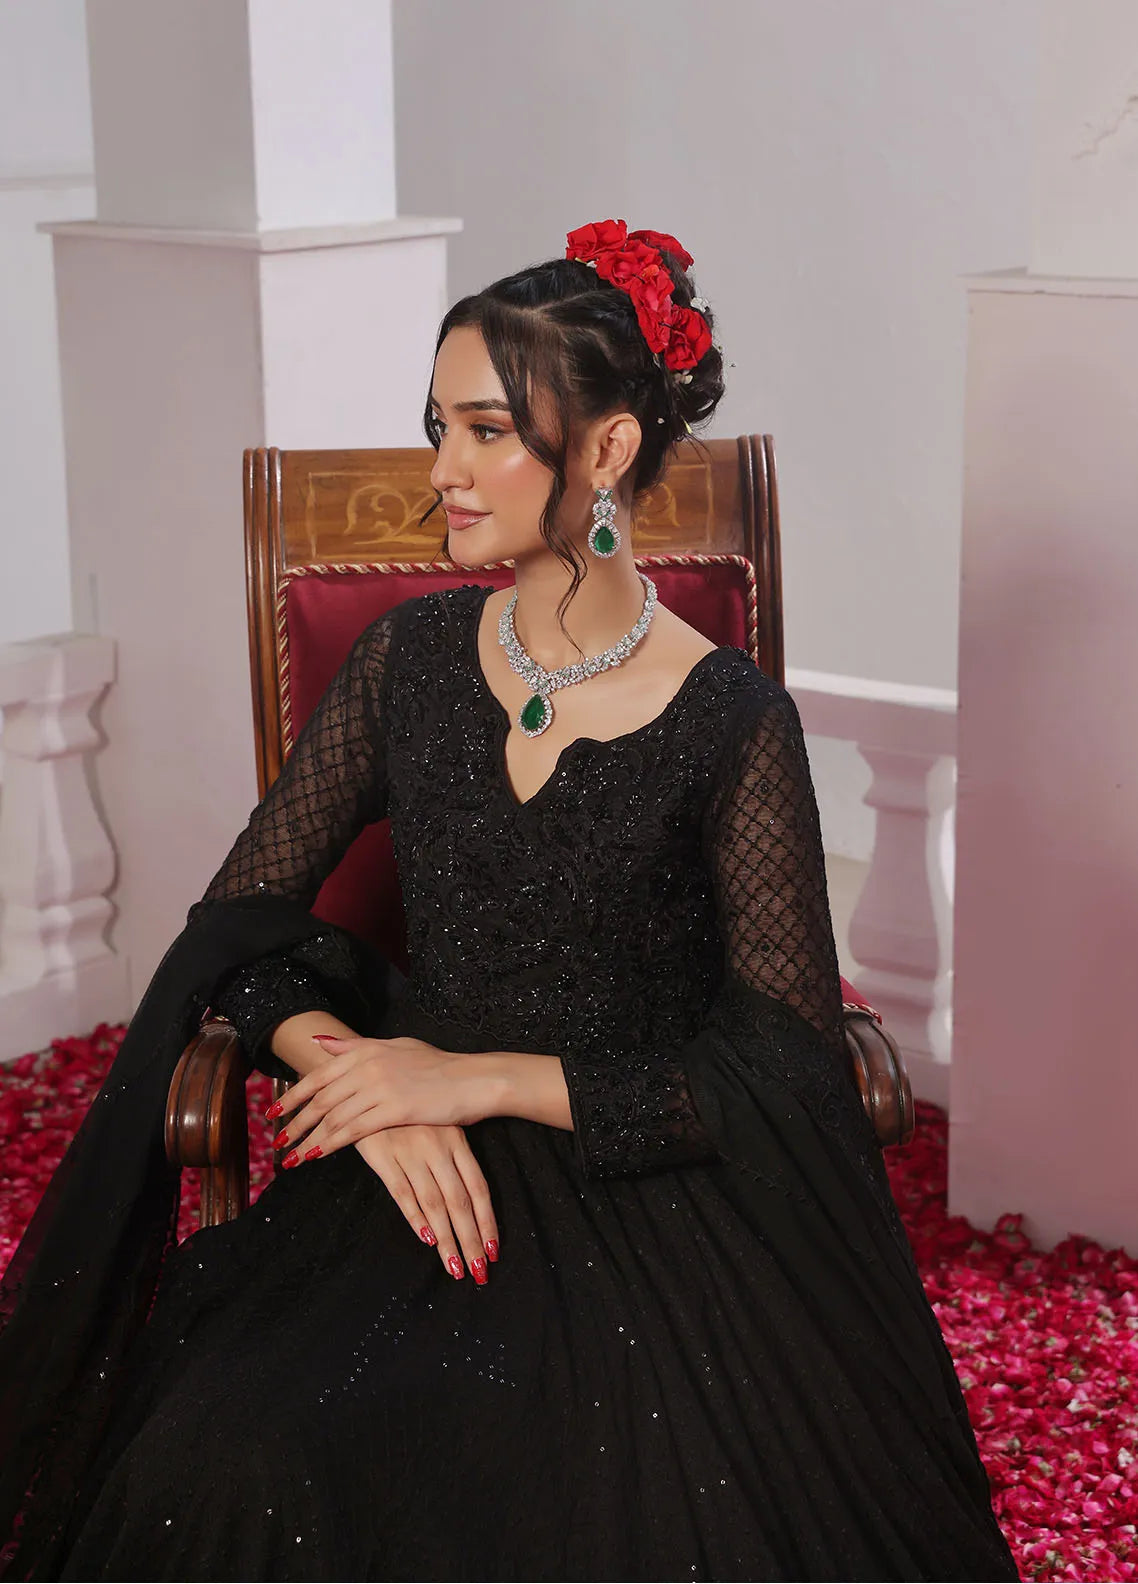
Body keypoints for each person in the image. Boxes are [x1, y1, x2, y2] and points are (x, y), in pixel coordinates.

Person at [0, 217, 1020, 1583]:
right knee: (229, 1459)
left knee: (605, 1497)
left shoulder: (729, 722)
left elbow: (781, 1062)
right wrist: (360, 1074)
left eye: (487, 431)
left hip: (643, 1193)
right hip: (418, 1174)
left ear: (605, 449)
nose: (442, 470)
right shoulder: (411, 660)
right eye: (440, 426)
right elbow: (238, 922)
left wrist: (474, 1079)